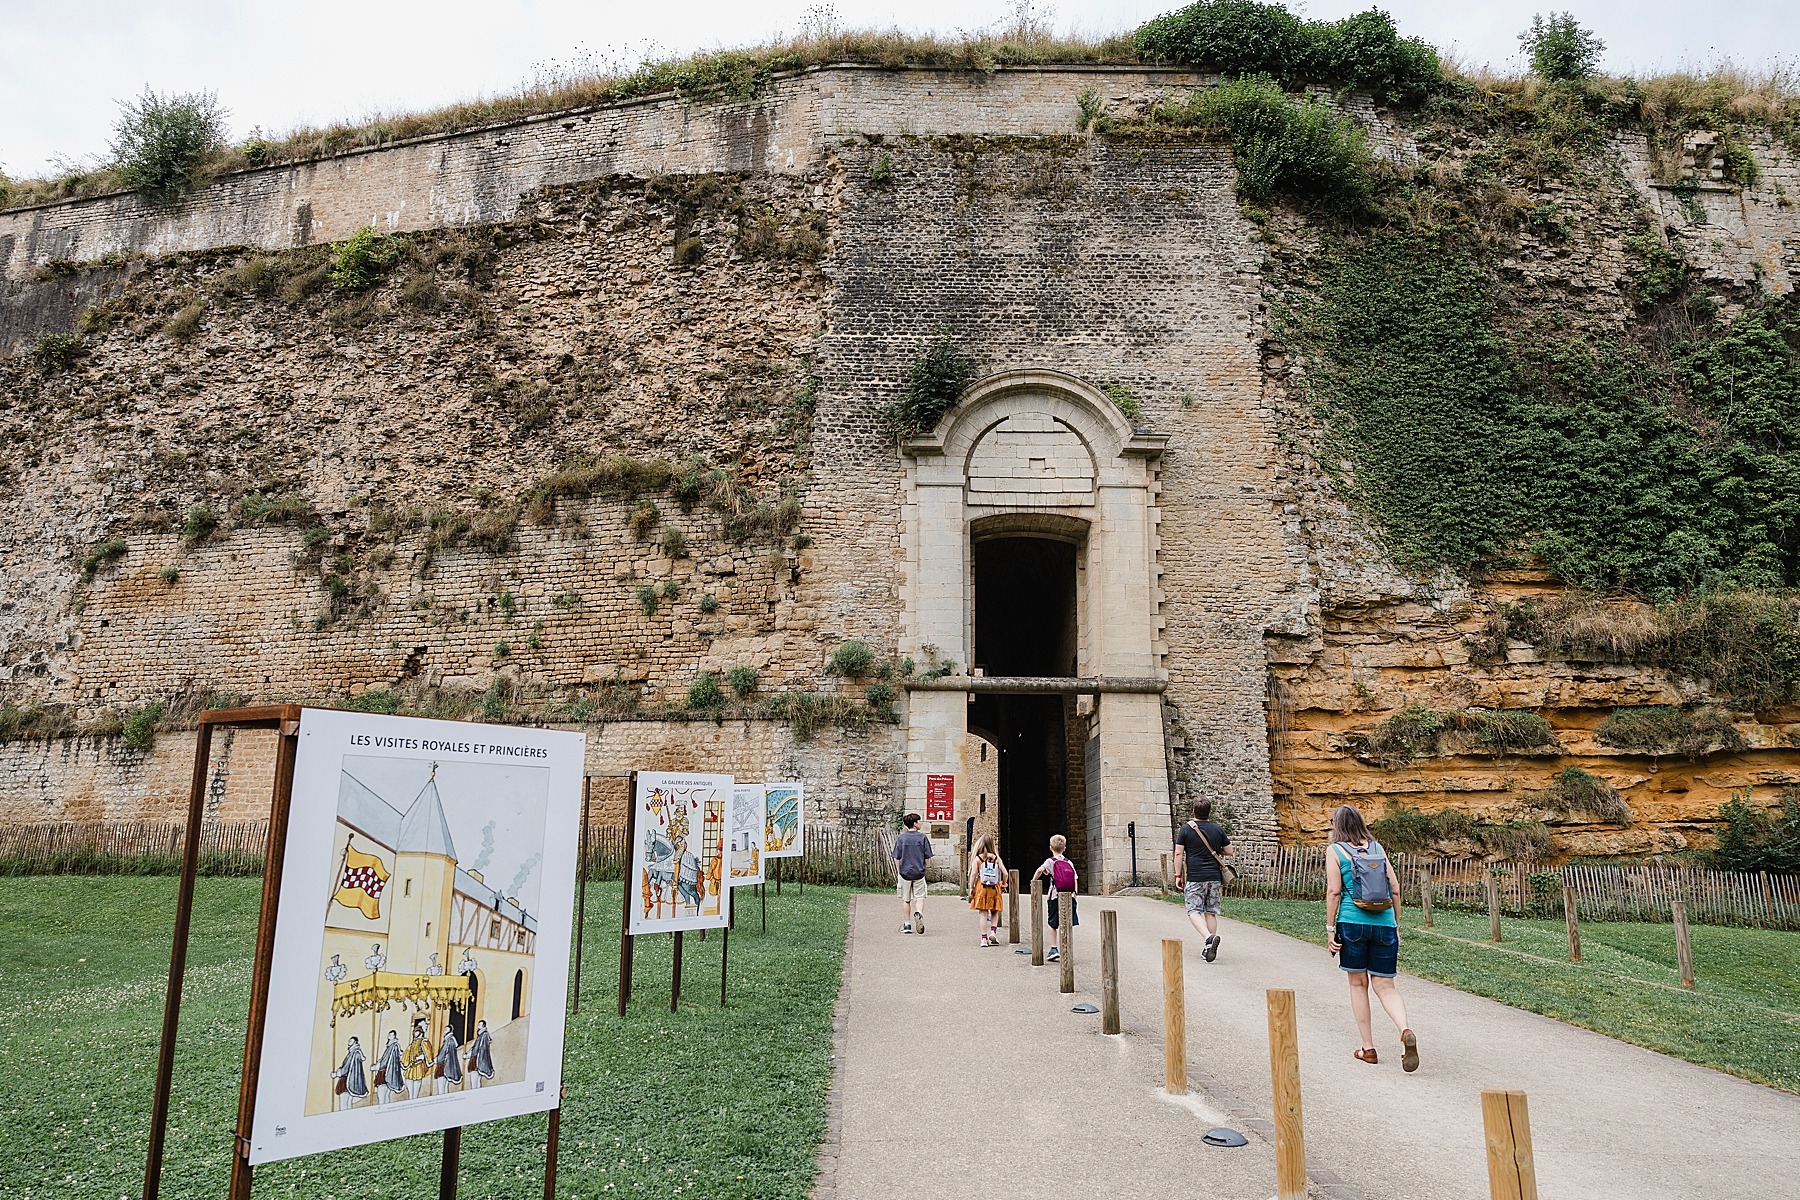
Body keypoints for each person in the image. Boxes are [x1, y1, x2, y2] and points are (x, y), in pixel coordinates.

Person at [1324, 804, 1419, 1072]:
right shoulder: (1377, 848)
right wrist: (1396, 925)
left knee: (1357, 985)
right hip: (1385, 923)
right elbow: (1396, 889)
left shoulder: (1335, 851)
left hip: (1353, 923)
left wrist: (1330, 929)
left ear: (1337, 825)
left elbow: (1334, 891)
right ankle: (1404, 1030)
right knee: (1386, 987)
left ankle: (1368, 1048)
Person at [1173, 799, 1232, 962]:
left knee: (1193, 910)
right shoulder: (1217, 829)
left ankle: (1208, 938)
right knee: (1210, 911)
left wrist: (1178, 875)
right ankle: (1208, 949)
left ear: (1193, 811)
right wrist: (1215, 849)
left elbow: (1179, 854)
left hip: (1196, 876)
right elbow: (1229, 851)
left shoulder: (1186, 829)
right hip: (1214, 877)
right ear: (1209, 812)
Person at [1032, 834, 1078, 961]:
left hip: (1054, 895)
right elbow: (1075, 880)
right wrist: (1075, 895)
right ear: (1064, 848)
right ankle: (1066, 948)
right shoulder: (1069, 862)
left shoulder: (1050, 861)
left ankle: (1053, 948)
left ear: (1050, 848)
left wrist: (1034, 881)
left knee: (1052, 922)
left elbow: (1040, 870)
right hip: (1069, 896)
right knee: (1066, 922)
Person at [893, 812, 933, 933]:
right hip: (919, 872)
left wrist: (899, 871)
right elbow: (927, 858)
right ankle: (919, 913)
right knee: (920, 897)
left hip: (905, 872)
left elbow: (897, 857)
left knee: (906, 899)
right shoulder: (922, 838)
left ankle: (907, 925)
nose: (920, 823)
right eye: (919, 821)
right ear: (915, 824)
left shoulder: (901, 838)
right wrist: (925, 867)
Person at [966, 834, 1008, 946]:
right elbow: (1005, 873)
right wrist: (1003, 884)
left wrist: (971, 887)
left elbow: (974, 874)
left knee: (983, 913)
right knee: (994, 911)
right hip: (994, 887)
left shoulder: (978, 858)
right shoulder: (996, 858)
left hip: (981, 887)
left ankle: (984, 938)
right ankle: (993, 932)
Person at [332, 1036, 368, 1111]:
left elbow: (346, 1068)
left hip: (346, 1081)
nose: (348, 1042)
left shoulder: (353, 1053)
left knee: (344, 1103)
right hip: (351, 1081)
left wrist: (336, 1074)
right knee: (348, 1103)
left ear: (355, 1042)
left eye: (350, 1041)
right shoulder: (355, 1052)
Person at [403, 1019, 434, 1099]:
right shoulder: (413, 1042)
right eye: (414, 1032)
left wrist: (423, 1057)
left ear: (420, 1032)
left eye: (416, 1032)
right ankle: (411, 1097)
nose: (415, 1033)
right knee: (408, 1080)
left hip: (418, 1065)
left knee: (417, 1081)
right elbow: (407, 1052)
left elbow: (428, 1052)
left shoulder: (424, 1041)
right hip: (411, 1065)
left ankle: (415, 1098)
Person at [373, 1029, 406, 1104]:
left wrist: (376, 1066)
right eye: (389, 1035)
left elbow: (386, 1060)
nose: (389, 1036)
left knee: (382, 1095)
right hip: (386, 1071)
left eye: (391, 1035)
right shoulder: (390, 1046)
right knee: (385, 1095)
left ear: (394, 1036)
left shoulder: (393, 1046)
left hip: (385, 1072)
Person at [432, 1026, 464, 1095]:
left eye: (446, 1029)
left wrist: (435, 1060)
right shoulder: (450, 1040)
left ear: (450, 1031)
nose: (444, 1030)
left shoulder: (448, 1040)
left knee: (441, 1088)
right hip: (447, 1066)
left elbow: (443, 1053)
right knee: (445, 1086)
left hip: (443, 1065)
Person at [466, 1020, 495, 1088]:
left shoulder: (483, 1035)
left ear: (483, 1026)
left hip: (476, 1060)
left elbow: (476, 1049)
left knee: (474, 1081)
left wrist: (467, 1055)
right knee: (477, 1081)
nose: (478, 1026)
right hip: (477, 1060)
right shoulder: (481, 1035)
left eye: (479, 1025)